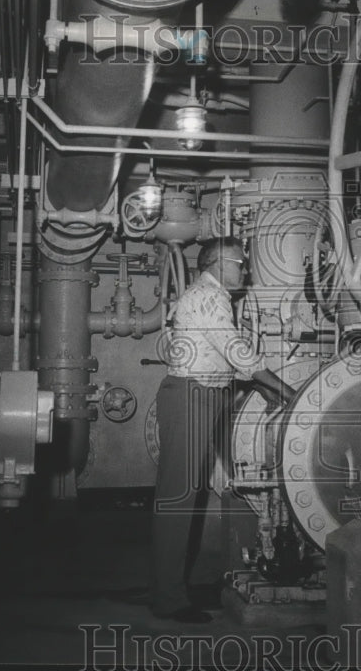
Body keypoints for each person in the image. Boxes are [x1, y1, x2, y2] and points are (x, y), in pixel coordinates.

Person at [149, 236, 297, 623]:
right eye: (240, 263)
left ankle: (175, 588)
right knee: (178, 501)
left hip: (203, 395)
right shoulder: (210, 297)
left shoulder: (213, 297)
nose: (245, 270)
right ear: (219, 263)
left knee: (186, 499)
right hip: (190, 397)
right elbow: (236, 351)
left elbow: (226, 360)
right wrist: (287, 391)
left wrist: (267, 389)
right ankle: (168, 599)